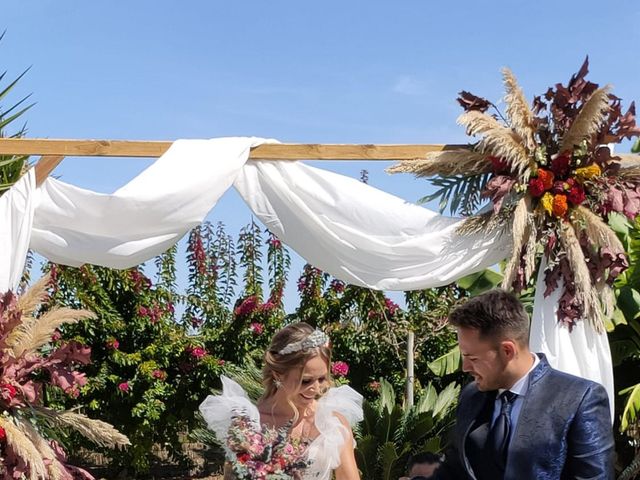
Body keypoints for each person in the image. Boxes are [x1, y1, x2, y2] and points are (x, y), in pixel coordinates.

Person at [432, 289, 614, 480]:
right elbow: (456, 468)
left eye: (472, 357)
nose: (465, 367)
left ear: (507, 350)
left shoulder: (580, 398)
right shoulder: (472, 395)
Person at [199, 322, 363, 480]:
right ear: (278, 374)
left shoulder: (333, 424)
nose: (316, 388)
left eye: (321, 379)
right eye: (305, 381)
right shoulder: (248, 426)